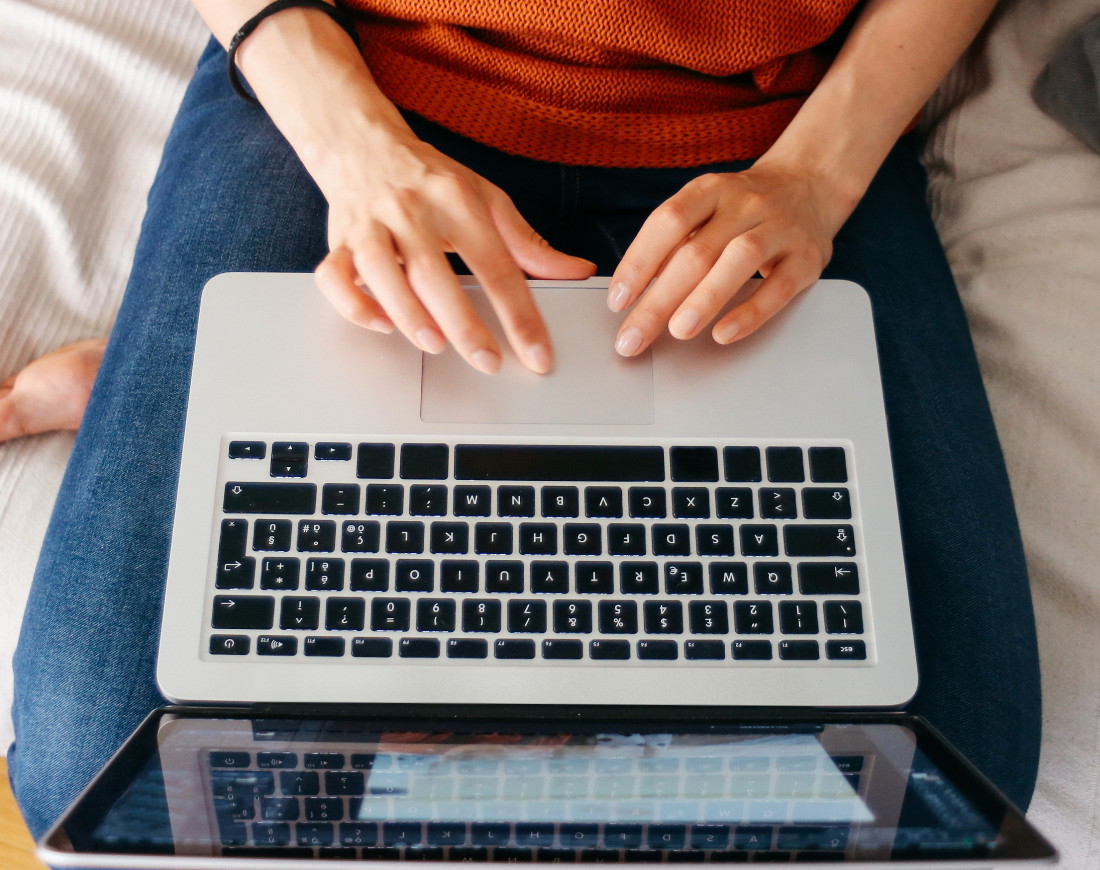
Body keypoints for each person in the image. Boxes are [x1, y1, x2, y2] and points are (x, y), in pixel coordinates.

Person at [9, 0, 1042, 841]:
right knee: (98, 772)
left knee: (947, 784)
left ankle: (209, 375)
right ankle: (201, 371)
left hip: (773, 125)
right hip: (361, 74)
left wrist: (815, 178)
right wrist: (361, 152)